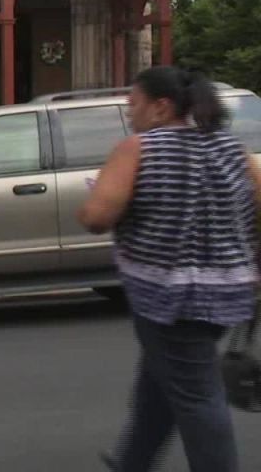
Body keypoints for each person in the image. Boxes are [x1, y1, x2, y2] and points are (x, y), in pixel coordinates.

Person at [79, 66, 261, 472]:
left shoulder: (139, 148)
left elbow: (97, 216)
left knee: (198, 398)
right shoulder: (233, 150)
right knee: (160, 381)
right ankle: (132, 461)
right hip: (228, 292)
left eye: (134, 105)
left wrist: (94, 199)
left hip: (169, 299)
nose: (131, 114)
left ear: (160, 107)